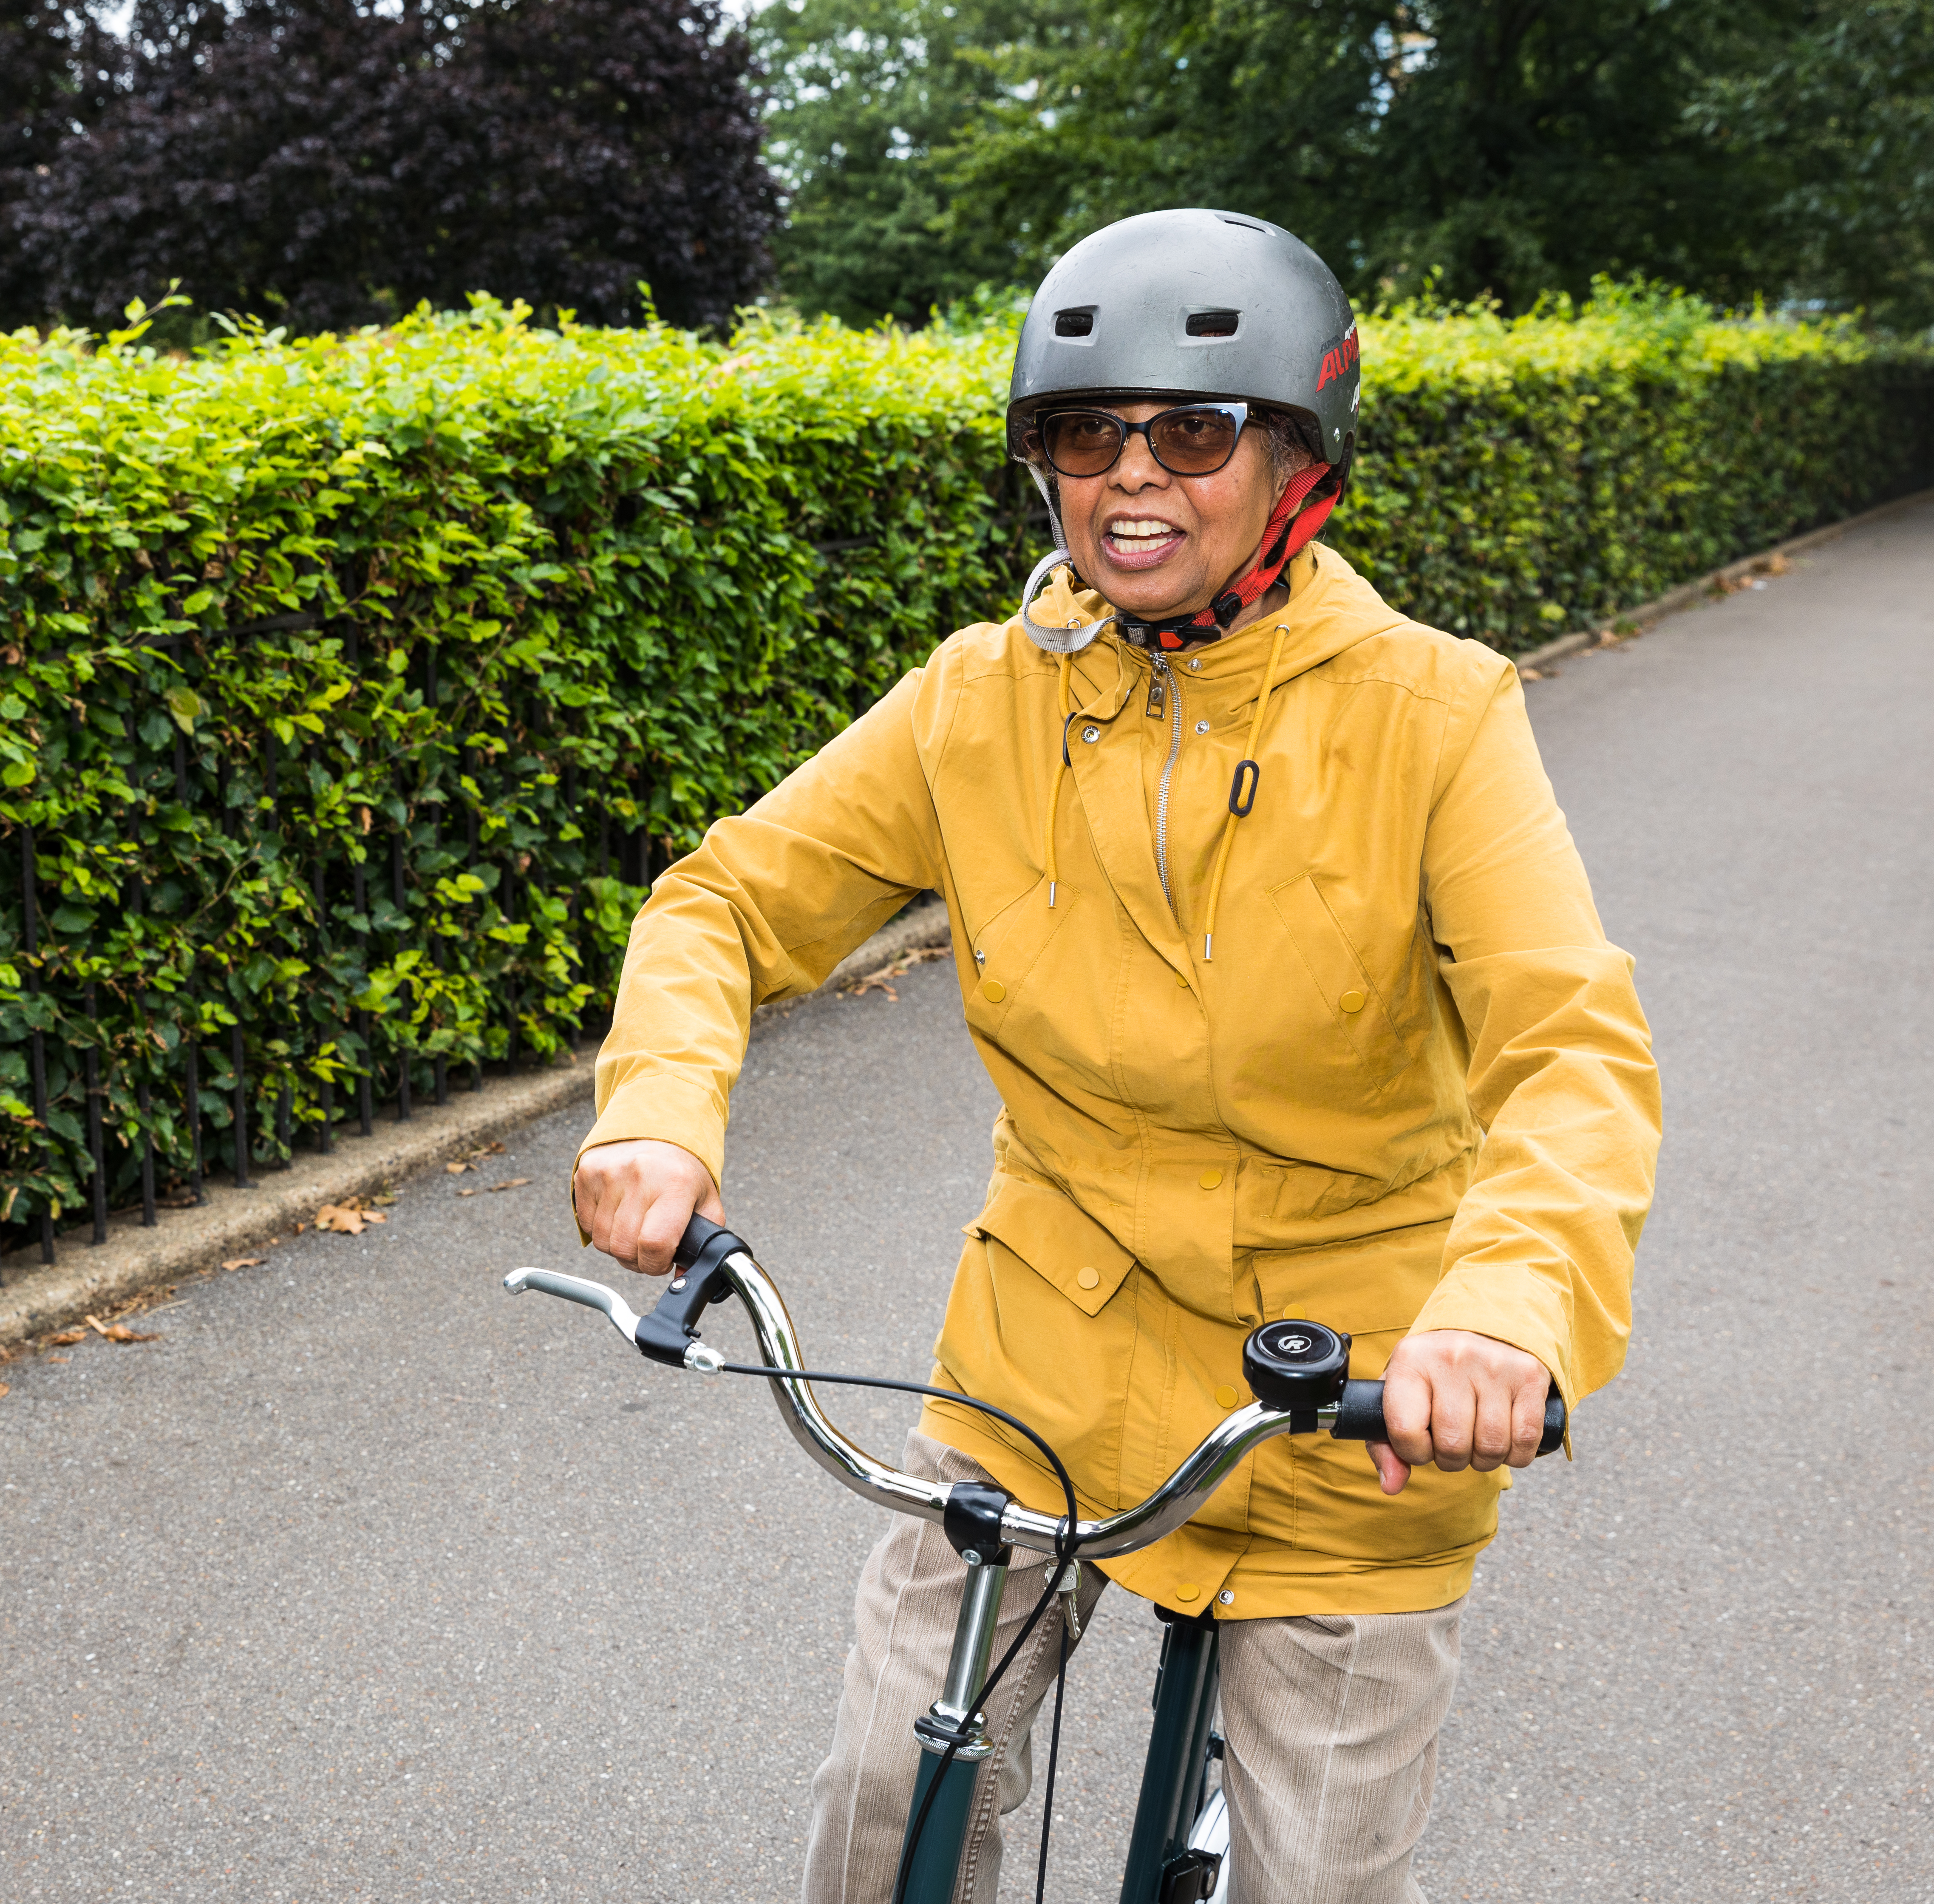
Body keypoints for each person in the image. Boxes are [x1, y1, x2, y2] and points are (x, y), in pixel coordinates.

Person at [569, 207, 1659, 1904]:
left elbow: (1571, 1048)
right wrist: (659, 1114)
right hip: (1045, 1360)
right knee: (888, 1799)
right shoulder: (979, 701)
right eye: (1089, 434)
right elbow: (724, 899)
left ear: (1295, 458)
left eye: (1194, 431)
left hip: (1348, 1398)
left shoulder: (1434, 717)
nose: (1132, 477)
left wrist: (1506, 1313)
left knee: (1323, 1884)